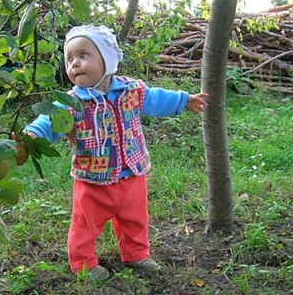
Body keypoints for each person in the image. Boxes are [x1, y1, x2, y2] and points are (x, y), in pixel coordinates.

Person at [23, 25, 209, 281]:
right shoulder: (69, 104)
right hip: (92, 179)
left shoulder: (131, 90)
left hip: (132, 172)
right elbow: (49, 121)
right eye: (69, 59)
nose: (75, 63)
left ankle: (135, 254)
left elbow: (156, 99)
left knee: (135, 219)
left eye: (83, 55)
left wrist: (183, 100)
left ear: (107, 60)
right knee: (85, 225)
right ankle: (84, 264)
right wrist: (32, 134)